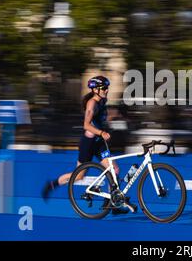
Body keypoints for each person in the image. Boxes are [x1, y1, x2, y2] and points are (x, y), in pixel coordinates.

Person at [42, 75, 129, 214]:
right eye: (104, 88)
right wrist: (101, 132)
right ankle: (52, 184)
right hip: (88, 144)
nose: (107, 90)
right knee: (79, 176)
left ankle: (112, 204)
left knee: (115, 170)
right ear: (95, 89)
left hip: (99, 143)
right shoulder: (92, 103)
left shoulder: (103, 100)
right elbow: (86, 125)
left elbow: (99, 118)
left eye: (107, 88)